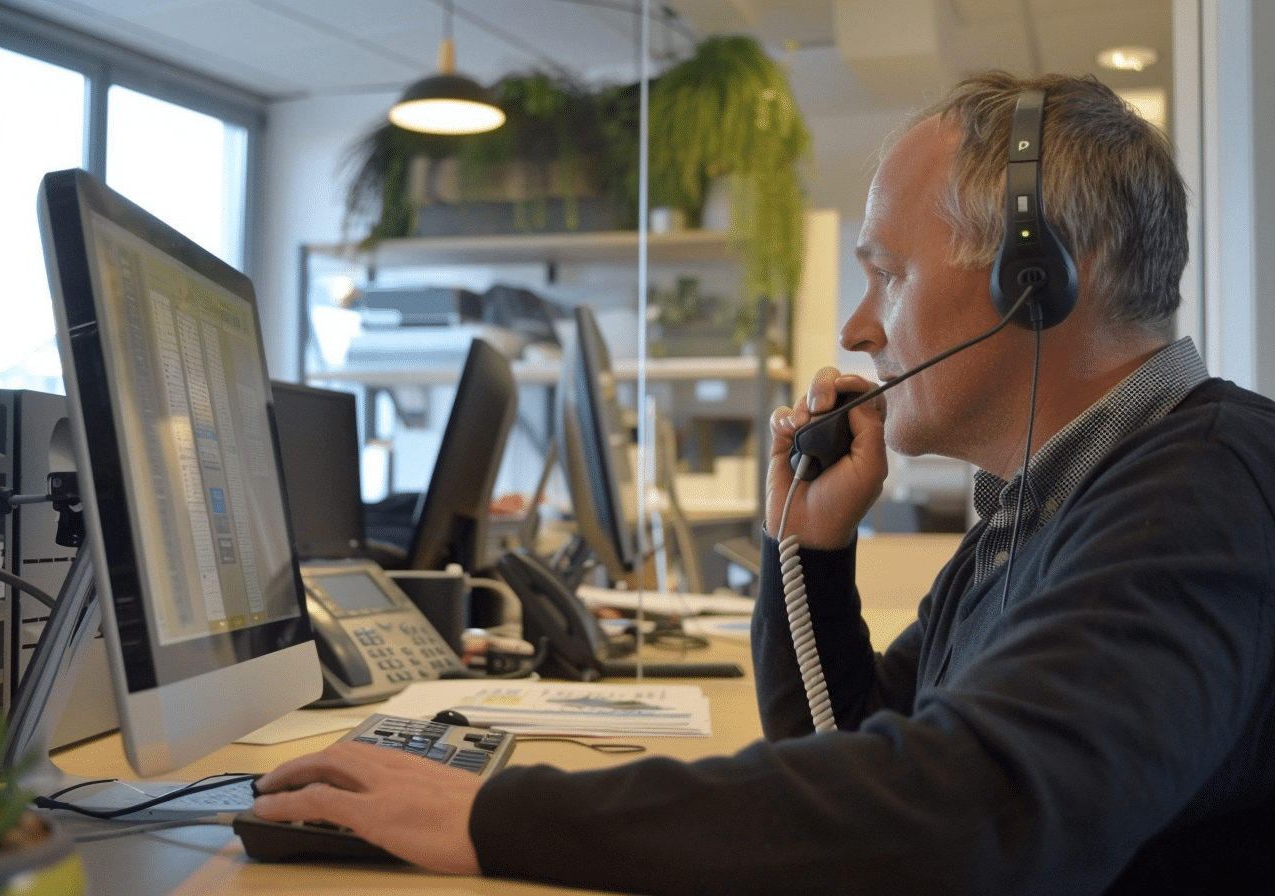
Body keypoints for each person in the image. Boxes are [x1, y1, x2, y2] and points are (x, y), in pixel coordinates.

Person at [251, 72, 1275, 894]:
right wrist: (814, 551)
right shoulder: (1043, 506)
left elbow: (971, 813)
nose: (857, 328)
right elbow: (865, 755)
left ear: (1034, 279)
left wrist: (496, 813)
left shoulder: (1200, 493)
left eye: (891, 273)